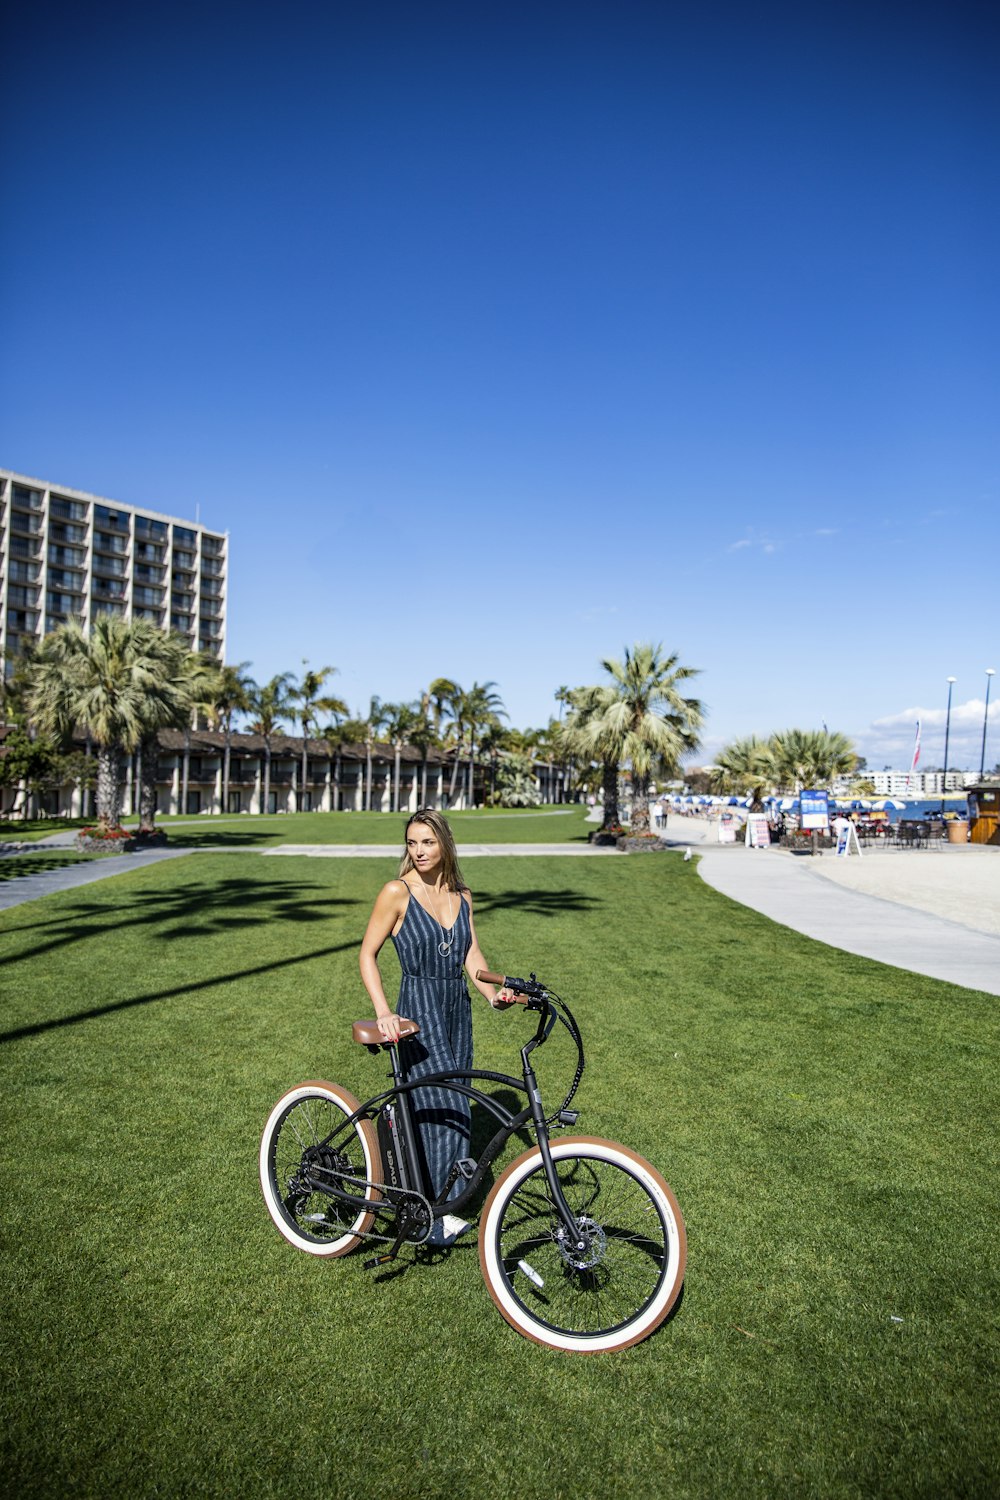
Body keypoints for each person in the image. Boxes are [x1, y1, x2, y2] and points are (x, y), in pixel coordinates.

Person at [359, 809, 517, 1245]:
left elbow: (472, 956)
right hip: (418, 1008)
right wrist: (384, 1011)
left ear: (444, 844)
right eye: (412, 843)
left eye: (427, 842)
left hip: (456, 1011)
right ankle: (430, 1210)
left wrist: (493, 993)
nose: (419, 851)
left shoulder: (463, 897)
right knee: (442, 1104)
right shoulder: (397, 892)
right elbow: (366, 955)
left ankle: (436, 1202)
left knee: (456, 1102)